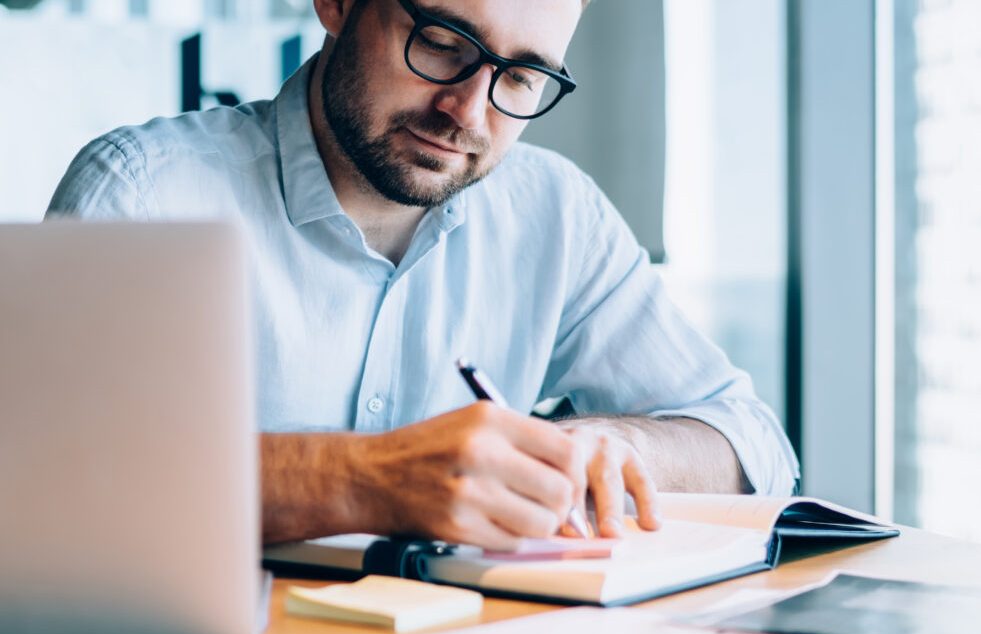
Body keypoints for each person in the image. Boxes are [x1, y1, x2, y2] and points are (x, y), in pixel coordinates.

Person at [47, 0, 798, 551]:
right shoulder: (144, 191)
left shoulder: (555, 211)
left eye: (525, 78)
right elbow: (44, 477)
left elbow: (755, 447)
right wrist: (367, 479)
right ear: (337, 5)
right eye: (441, 44)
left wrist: (606, 446)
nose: (467, 111)